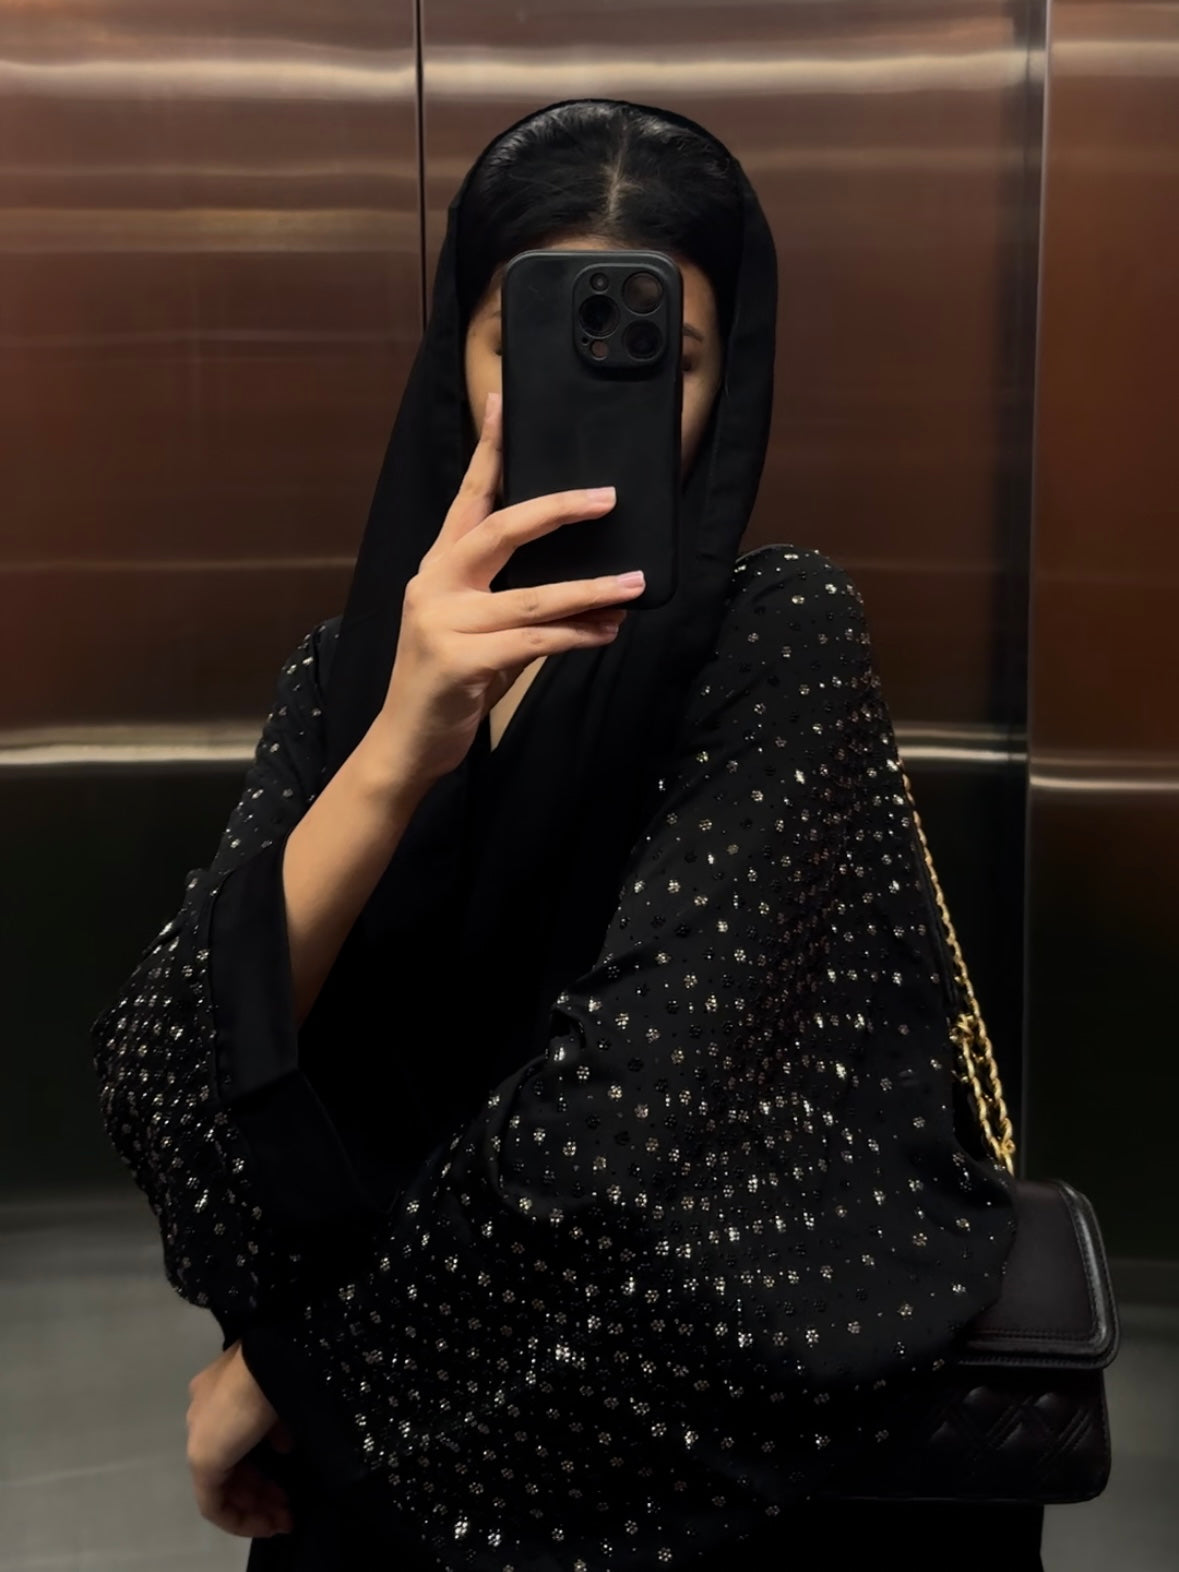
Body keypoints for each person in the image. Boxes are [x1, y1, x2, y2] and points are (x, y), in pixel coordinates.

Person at [91, 100, 1043, 1570]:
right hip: (364, 1468)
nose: (594, 394)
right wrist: (400, 743)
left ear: (730, 381)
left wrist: (293, 1371)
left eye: (667, 353)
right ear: (457, 362)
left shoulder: (775, 634)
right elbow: (167, 1066)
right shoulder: (346, 675)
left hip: (647, 1453)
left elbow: (623, 1121)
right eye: (524, 343)